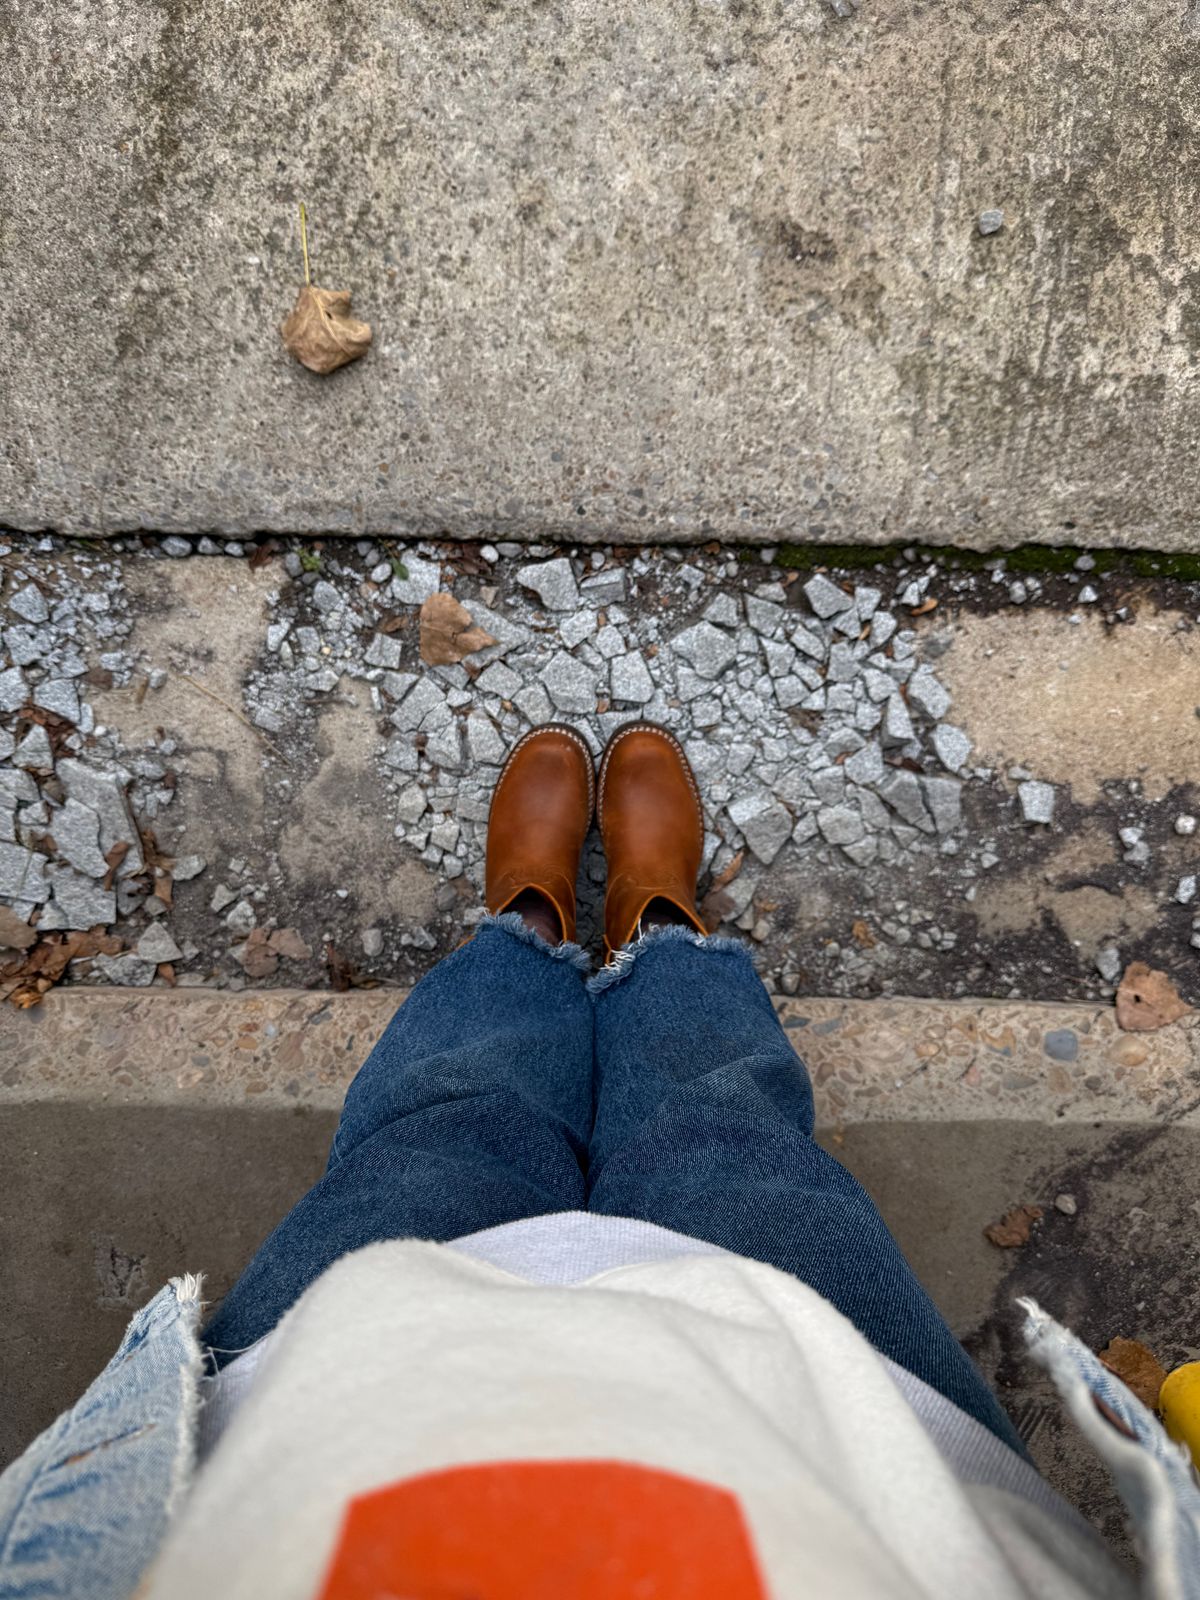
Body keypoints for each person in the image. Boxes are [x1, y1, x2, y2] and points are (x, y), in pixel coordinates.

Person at [0, 723, 1192, 1599]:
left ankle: (529, 931)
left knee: (442, 1128)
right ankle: (657, 928)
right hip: (862, 1438)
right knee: (727, 1137)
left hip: (327, 1399)